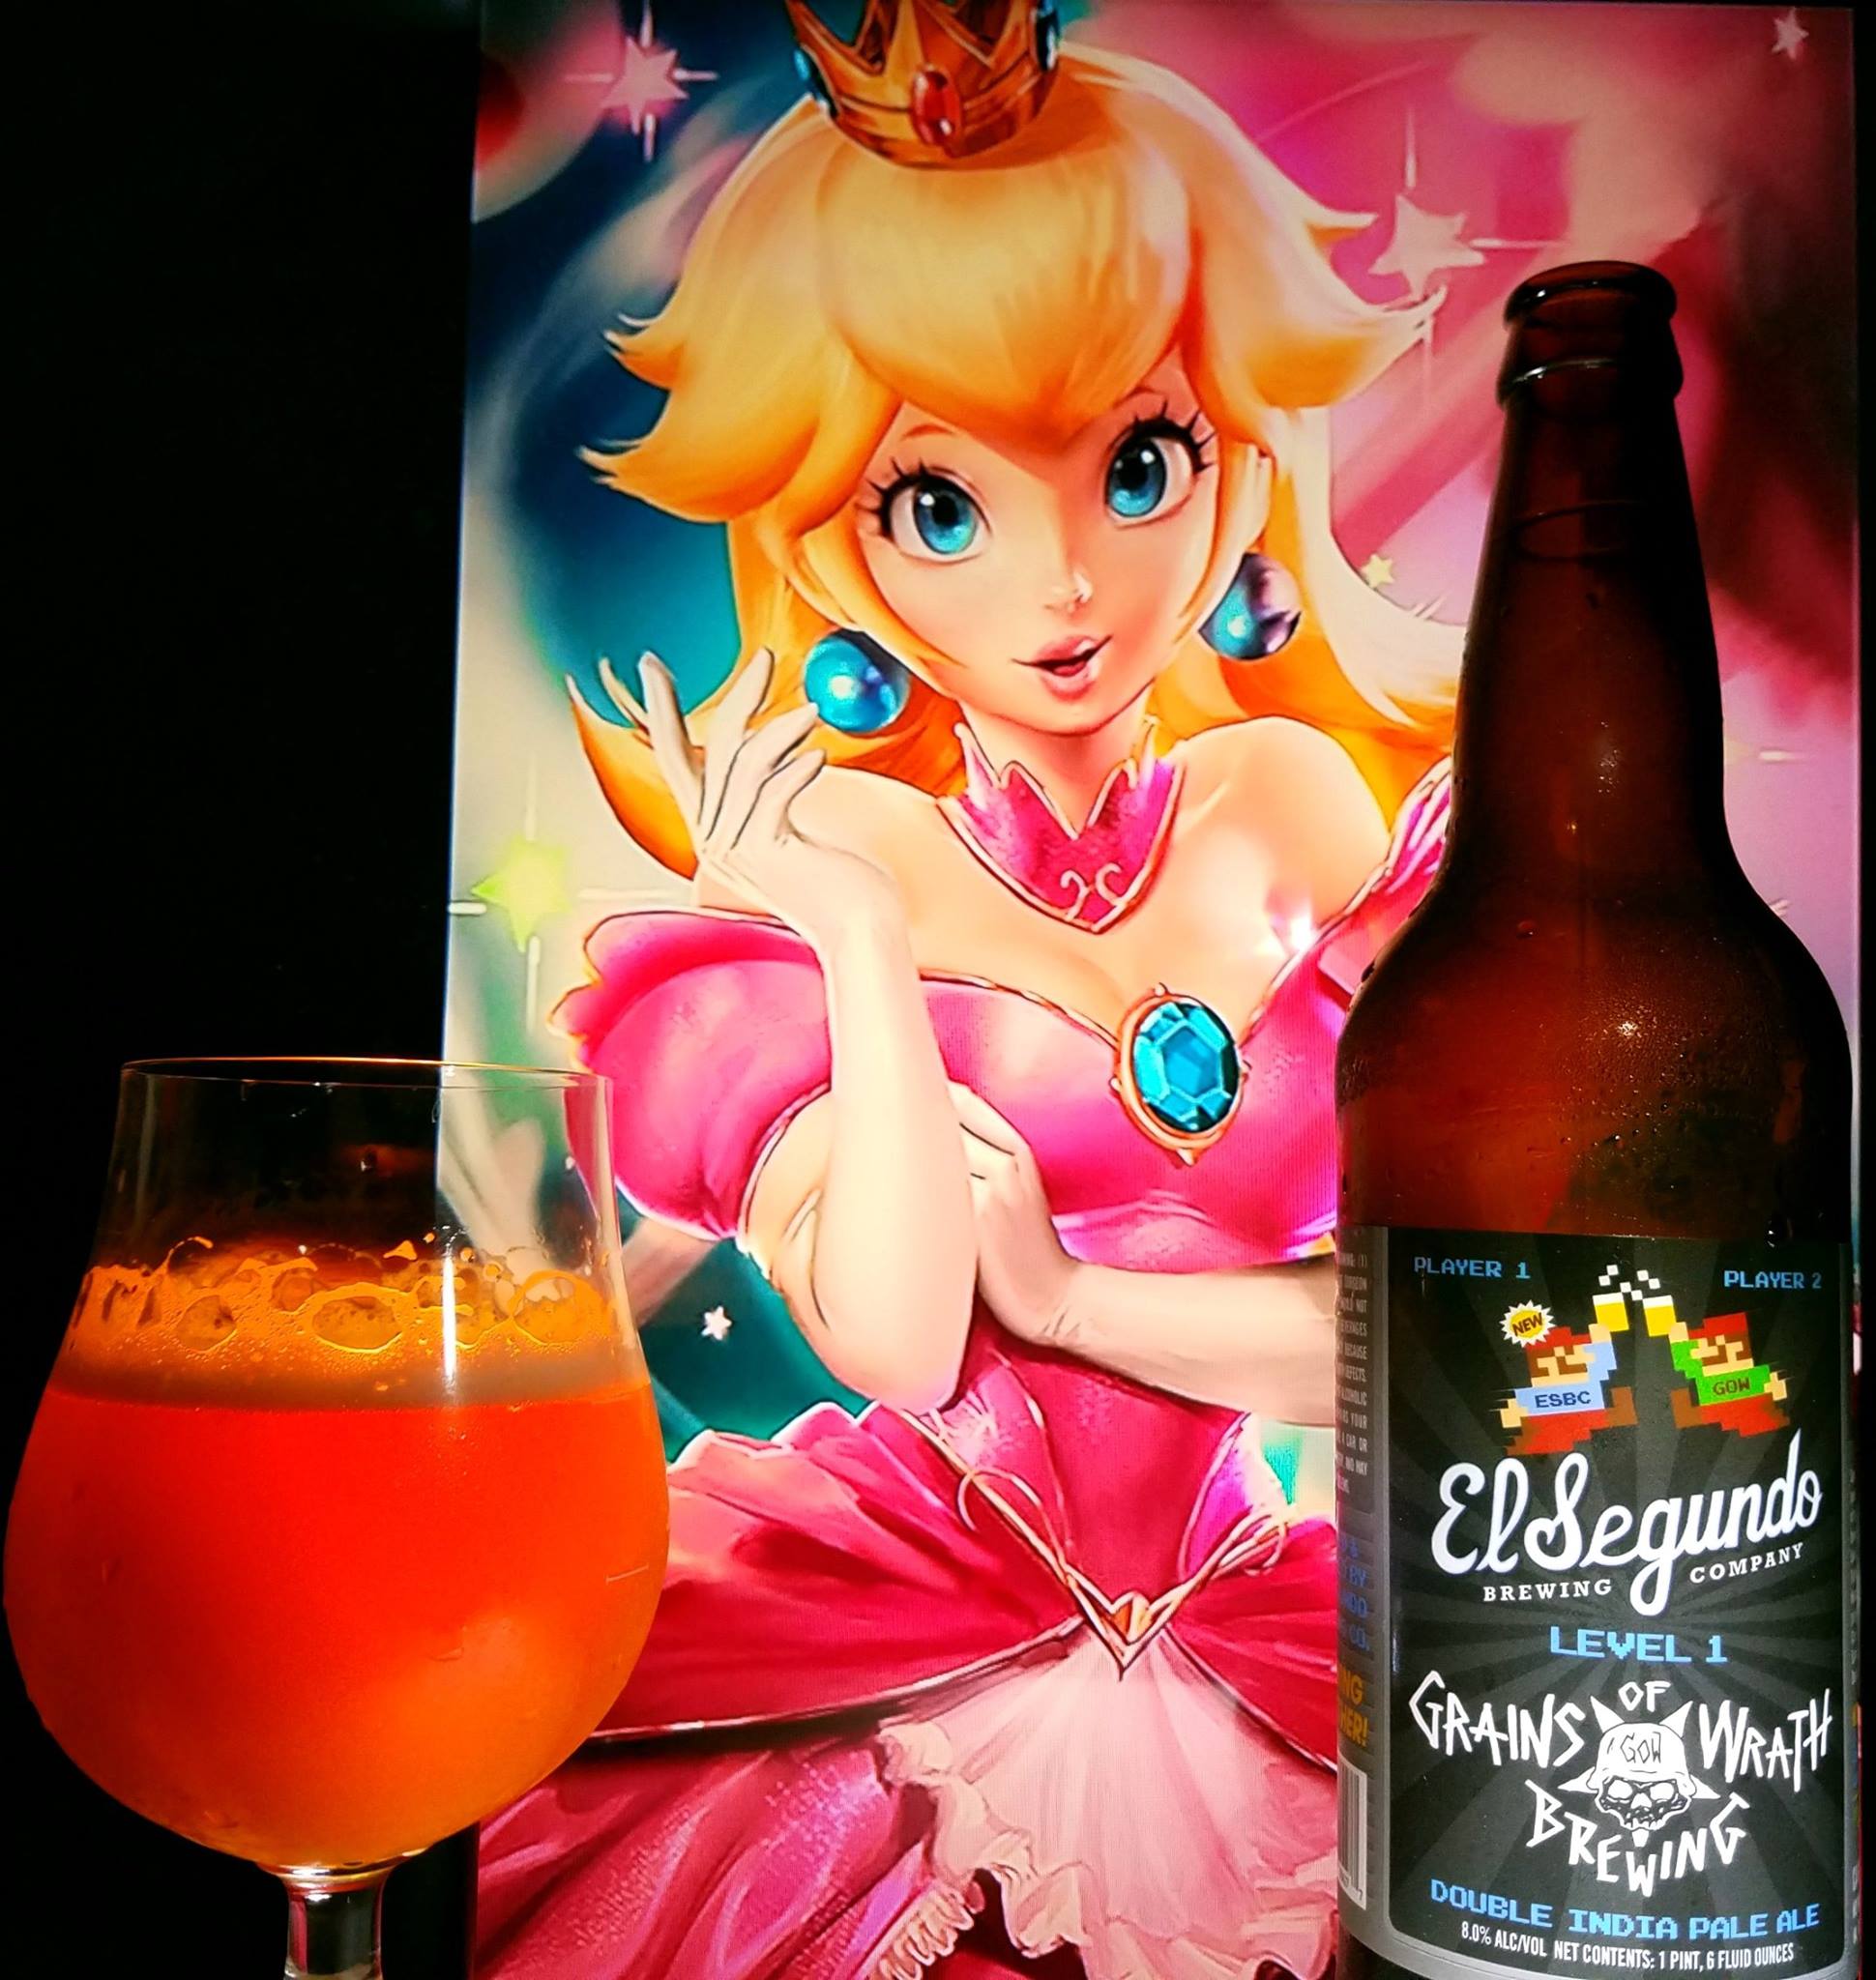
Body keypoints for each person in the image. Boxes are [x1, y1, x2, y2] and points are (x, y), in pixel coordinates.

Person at [480, 13, 1457, 1976]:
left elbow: (1415, 1342)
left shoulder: (1300, 812)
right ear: (830, 532)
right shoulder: (835, 873)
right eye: (944, 506)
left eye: (1139, 464)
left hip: (1243, 1619)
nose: (1065, 586)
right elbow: (904, 1337)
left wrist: (1080, 1298)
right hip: (900, 1618)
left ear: (1238, 459)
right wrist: (854, 938)